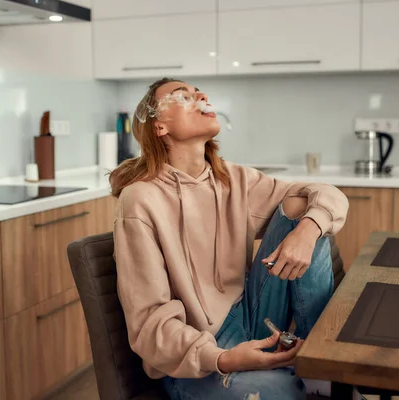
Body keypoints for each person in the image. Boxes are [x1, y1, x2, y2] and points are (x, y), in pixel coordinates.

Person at [109, 77, 349, 400]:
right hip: (195, 358)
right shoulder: (139, 200)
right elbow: (150, 324)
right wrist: (222, 358)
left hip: (251, 317)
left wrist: (308, 229)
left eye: (199, 92)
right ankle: (312, 381)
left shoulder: (232, 179)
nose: (201, 97)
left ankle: (321, 370)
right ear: (159, 127)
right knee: (287, 393)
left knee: (303, 207)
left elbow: (329, 195)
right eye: (183, 96)